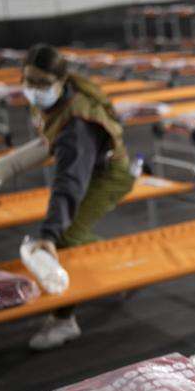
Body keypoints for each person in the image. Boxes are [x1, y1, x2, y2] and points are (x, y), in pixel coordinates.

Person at [20, 44, 135, 350]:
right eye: (29, 81)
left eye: (42, 83)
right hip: (93, 166)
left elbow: (69, 182)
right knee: (71, 232)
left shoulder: (78, 123)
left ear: (61, 81)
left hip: (109, 176)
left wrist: (49, 233)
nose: (34, 89)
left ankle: (63, 320)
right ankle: (121, 266)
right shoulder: (57, 100)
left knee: (65, 238)